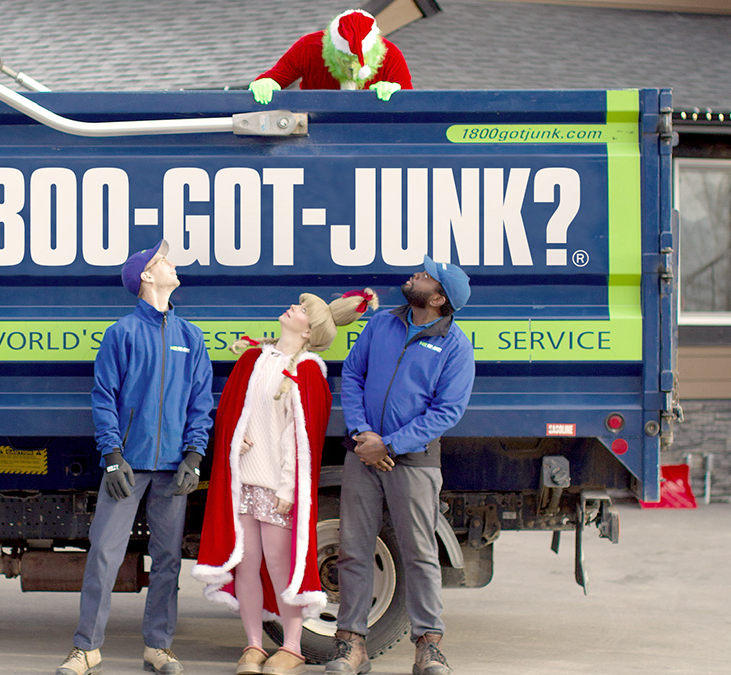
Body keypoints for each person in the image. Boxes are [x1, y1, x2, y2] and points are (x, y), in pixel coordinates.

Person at [193, 289, 377, 675]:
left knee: (282, 566)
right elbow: (229, 412)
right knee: (245, 565)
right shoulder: (251, 360)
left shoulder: (309, 372)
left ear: (309, 331)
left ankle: (292, 647)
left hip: (277, 488)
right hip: (242, 482)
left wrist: (289, 489)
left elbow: (303, 440)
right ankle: (254, 645)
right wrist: (233, 435)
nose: (294, 306)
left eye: (302, 310)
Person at [57, 240, 214, 675]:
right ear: (146, 275)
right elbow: (103, 397)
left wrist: (195, 456)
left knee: (167, 560)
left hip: (173, 470)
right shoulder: (121, 333)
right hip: (128, 466)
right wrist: (111, 455)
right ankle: (86, 648)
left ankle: (158, 648)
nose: (172, 264)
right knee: (104, 555)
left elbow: (201, 402)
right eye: (164, 260)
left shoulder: (191, 336)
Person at [326, 258, 475, 675]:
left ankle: (429, 646)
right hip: (362, 454)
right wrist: (362, 434)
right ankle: (351, 645)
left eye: (424, 276)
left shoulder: (455, 346)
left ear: (438, 298)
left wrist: (389, 444)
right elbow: (353, 375)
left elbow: (447, 412)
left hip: (414, 463)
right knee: (353, 550)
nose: (415, 275)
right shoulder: (381, 325)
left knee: (419, 553)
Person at [249, 8, 412, 104]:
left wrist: (398, 95)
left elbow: (412, 103)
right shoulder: (308, 47)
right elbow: (276, 78)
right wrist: (266, 83)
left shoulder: (390, 54)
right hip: (315, 125)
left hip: (371, 129)